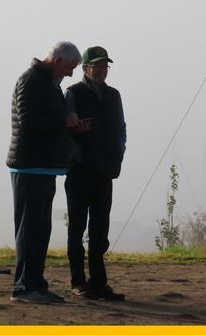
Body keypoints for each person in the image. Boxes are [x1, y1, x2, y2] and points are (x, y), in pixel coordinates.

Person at [7, 41, 89, 303]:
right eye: (70, 67)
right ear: (57, 61)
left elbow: (47, 122)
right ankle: (23, 287)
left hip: (44, 166)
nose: (71, 74)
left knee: (41, 228)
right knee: (29, 228)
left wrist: (70, 127)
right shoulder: (30, 80)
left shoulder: (49, 83)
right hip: (29, 164)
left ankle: (36, 283)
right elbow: (28, 121)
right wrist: (63, 121)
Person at [65, 47, 126, 300]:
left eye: (105, 66)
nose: (101, 70)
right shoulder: (73, 93)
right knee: (77, 228)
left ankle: (99, 282)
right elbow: (66, 131)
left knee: (100, 230)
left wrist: (118, 158)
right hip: (79, 173)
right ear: (85, 68)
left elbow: (121, 129)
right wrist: (77, 158)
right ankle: (78, 282)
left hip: (105, 172)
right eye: (96, 66)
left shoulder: (113, 95)